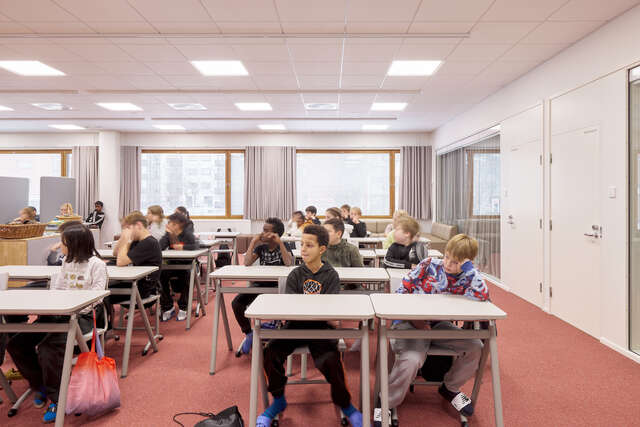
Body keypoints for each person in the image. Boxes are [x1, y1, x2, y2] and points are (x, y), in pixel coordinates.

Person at [377, 234, 489, 426]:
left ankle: (450, 388)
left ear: (467, 263)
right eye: (446, 257)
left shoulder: (468, 275)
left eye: (455, 262)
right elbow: (401, 293)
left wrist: (469, 269)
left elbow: (482, 295)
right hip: (410, 323)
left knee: (475, 347)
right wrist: (415, 319)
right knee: (412, 359)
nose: (448, 264)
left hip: (438, 325)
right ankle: (386, 402)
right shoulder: (429, 265)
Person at [258, 225, 363, 427]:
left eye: (309, 245)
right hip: (295, 327)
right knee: (270, 352)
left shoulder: (331, 275)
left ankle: (346, 405)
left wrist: (320, 313)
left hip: (321, 328)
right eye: (301, 244)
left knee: (331, 361)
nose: (303, 249)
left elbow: (331, 313)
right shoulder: (296, 274)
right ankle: (278, 400)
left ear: (322, 249)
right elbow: (291, 308)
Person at [7, 224, 107, 424]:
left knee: (48, 349)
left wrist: (73, 306)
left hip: (83, 317)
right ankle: (41, 385)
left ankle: (57, 399)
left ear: (74, 244)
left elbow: (97, 298)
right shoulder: (66, 262)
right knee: (17, 343)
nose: (59, 245)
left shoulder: (97, 265)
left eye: (63, 242)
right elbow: (58, 289)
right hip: (58, 314)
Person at [232, 217, 293, 356]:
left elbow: (288, 262)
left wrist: (280, 243)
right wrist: (253, 242)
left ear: (275, 234)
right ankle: (249, 334)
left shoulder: (285, 246)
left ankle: (281, 331)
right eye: (262, 230)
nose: (262, 233)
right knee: (237, 303)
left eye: (266, 231)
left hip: (279, 288)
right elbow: (247, 263)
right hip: (261, 286)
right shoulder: (261, 248)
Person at [110, 212, 162, 307]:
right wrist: (123, 237)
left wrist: (126, 240)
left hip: (143, 290)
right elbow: (116, 253)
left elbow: (120, 262)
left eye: (128, 228)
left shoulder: (149, 242)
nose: (126, 231)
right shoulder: (137, 241)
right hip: (134, 284)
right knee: (101, 291)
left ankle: (102, 321)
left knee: (101, 295)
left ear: (138, 225)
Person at [159, 213, 198, 321]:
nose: (168, 225)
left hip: (186, 265)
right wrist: (169, 234)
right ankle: (168, 306)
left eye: (170, 223)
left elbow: (196, 246)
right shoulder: (168, 235)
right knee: (160, 275)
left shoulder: (187, 234)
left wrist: (183, 247)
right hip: (171, 264)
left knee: (187, 276)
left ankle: (183, 307)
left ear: (177, 225)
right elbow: (160, 247)